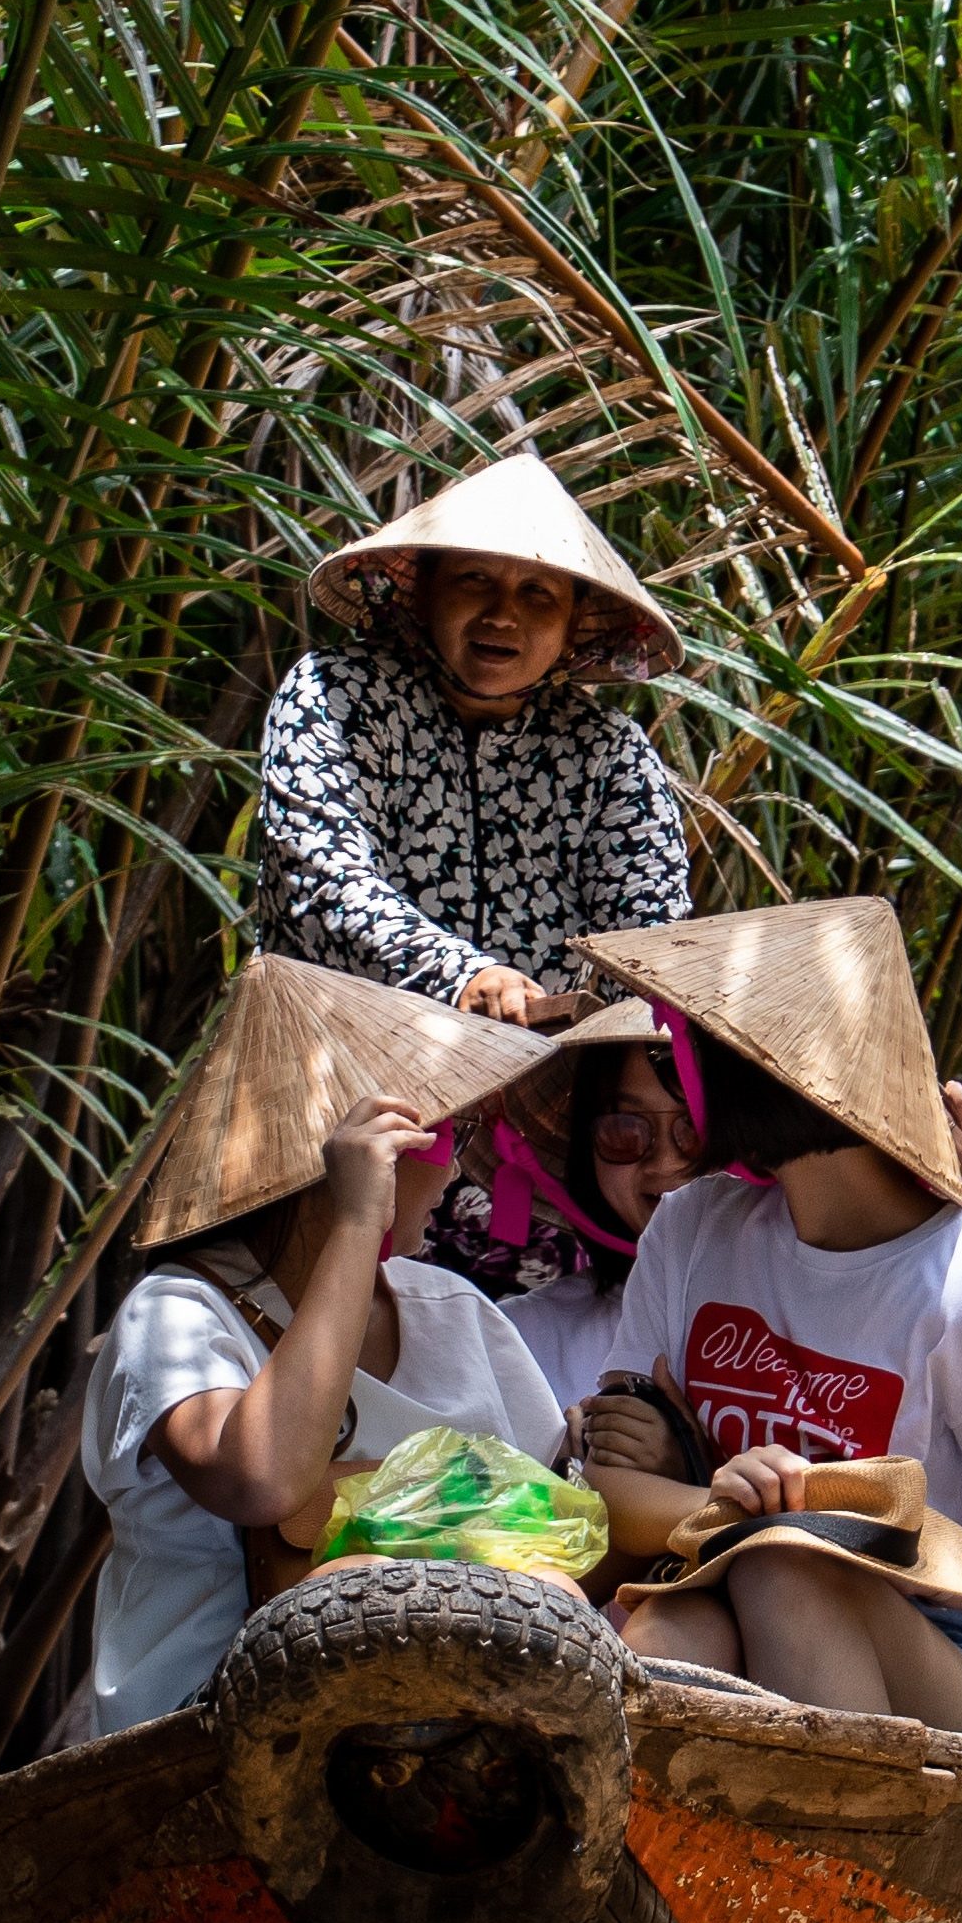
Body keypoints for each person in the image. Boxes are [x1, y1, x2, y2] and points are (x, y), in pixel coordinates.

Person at [575, 898, 962, 1743]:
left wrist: (892, 1559)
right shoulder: (692, 1230)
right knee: (673, 1627)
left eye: (687, 1051)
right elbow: (609, 1481)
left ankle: (848, 1856)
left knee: (786, 1569)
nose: (678, 1073)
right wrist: (730, 1503)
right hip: (737, 1578)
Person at [83, 959, 567, 1734]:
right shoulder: (177, 1312)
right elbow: (264, 1482)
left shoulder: (453, 1310)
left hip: (465, 1727)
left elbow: (553, 1520)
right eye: (446, 1134)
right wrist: (354, 1223)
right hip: (209, 1737)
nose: (457, 1168)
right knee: (366, 1596)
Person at [249, 449, 692, 1032]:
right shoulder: (338, 692)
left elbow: (651, 942)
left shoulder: (607, 751)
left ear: (571, 627)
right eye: (474, 579)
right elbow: (322, 881)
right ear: (425, 591)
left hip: (537, 1087)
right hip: (339, 1068)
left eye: (538, 593)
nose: (503, 615)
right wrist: (463, 978)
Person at [496, 1001, 703, 1408]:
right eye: (624, 1129)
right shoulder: (521, 1339)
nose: (665, 1162)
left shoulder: (833, 1317)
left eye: (695, 1128)